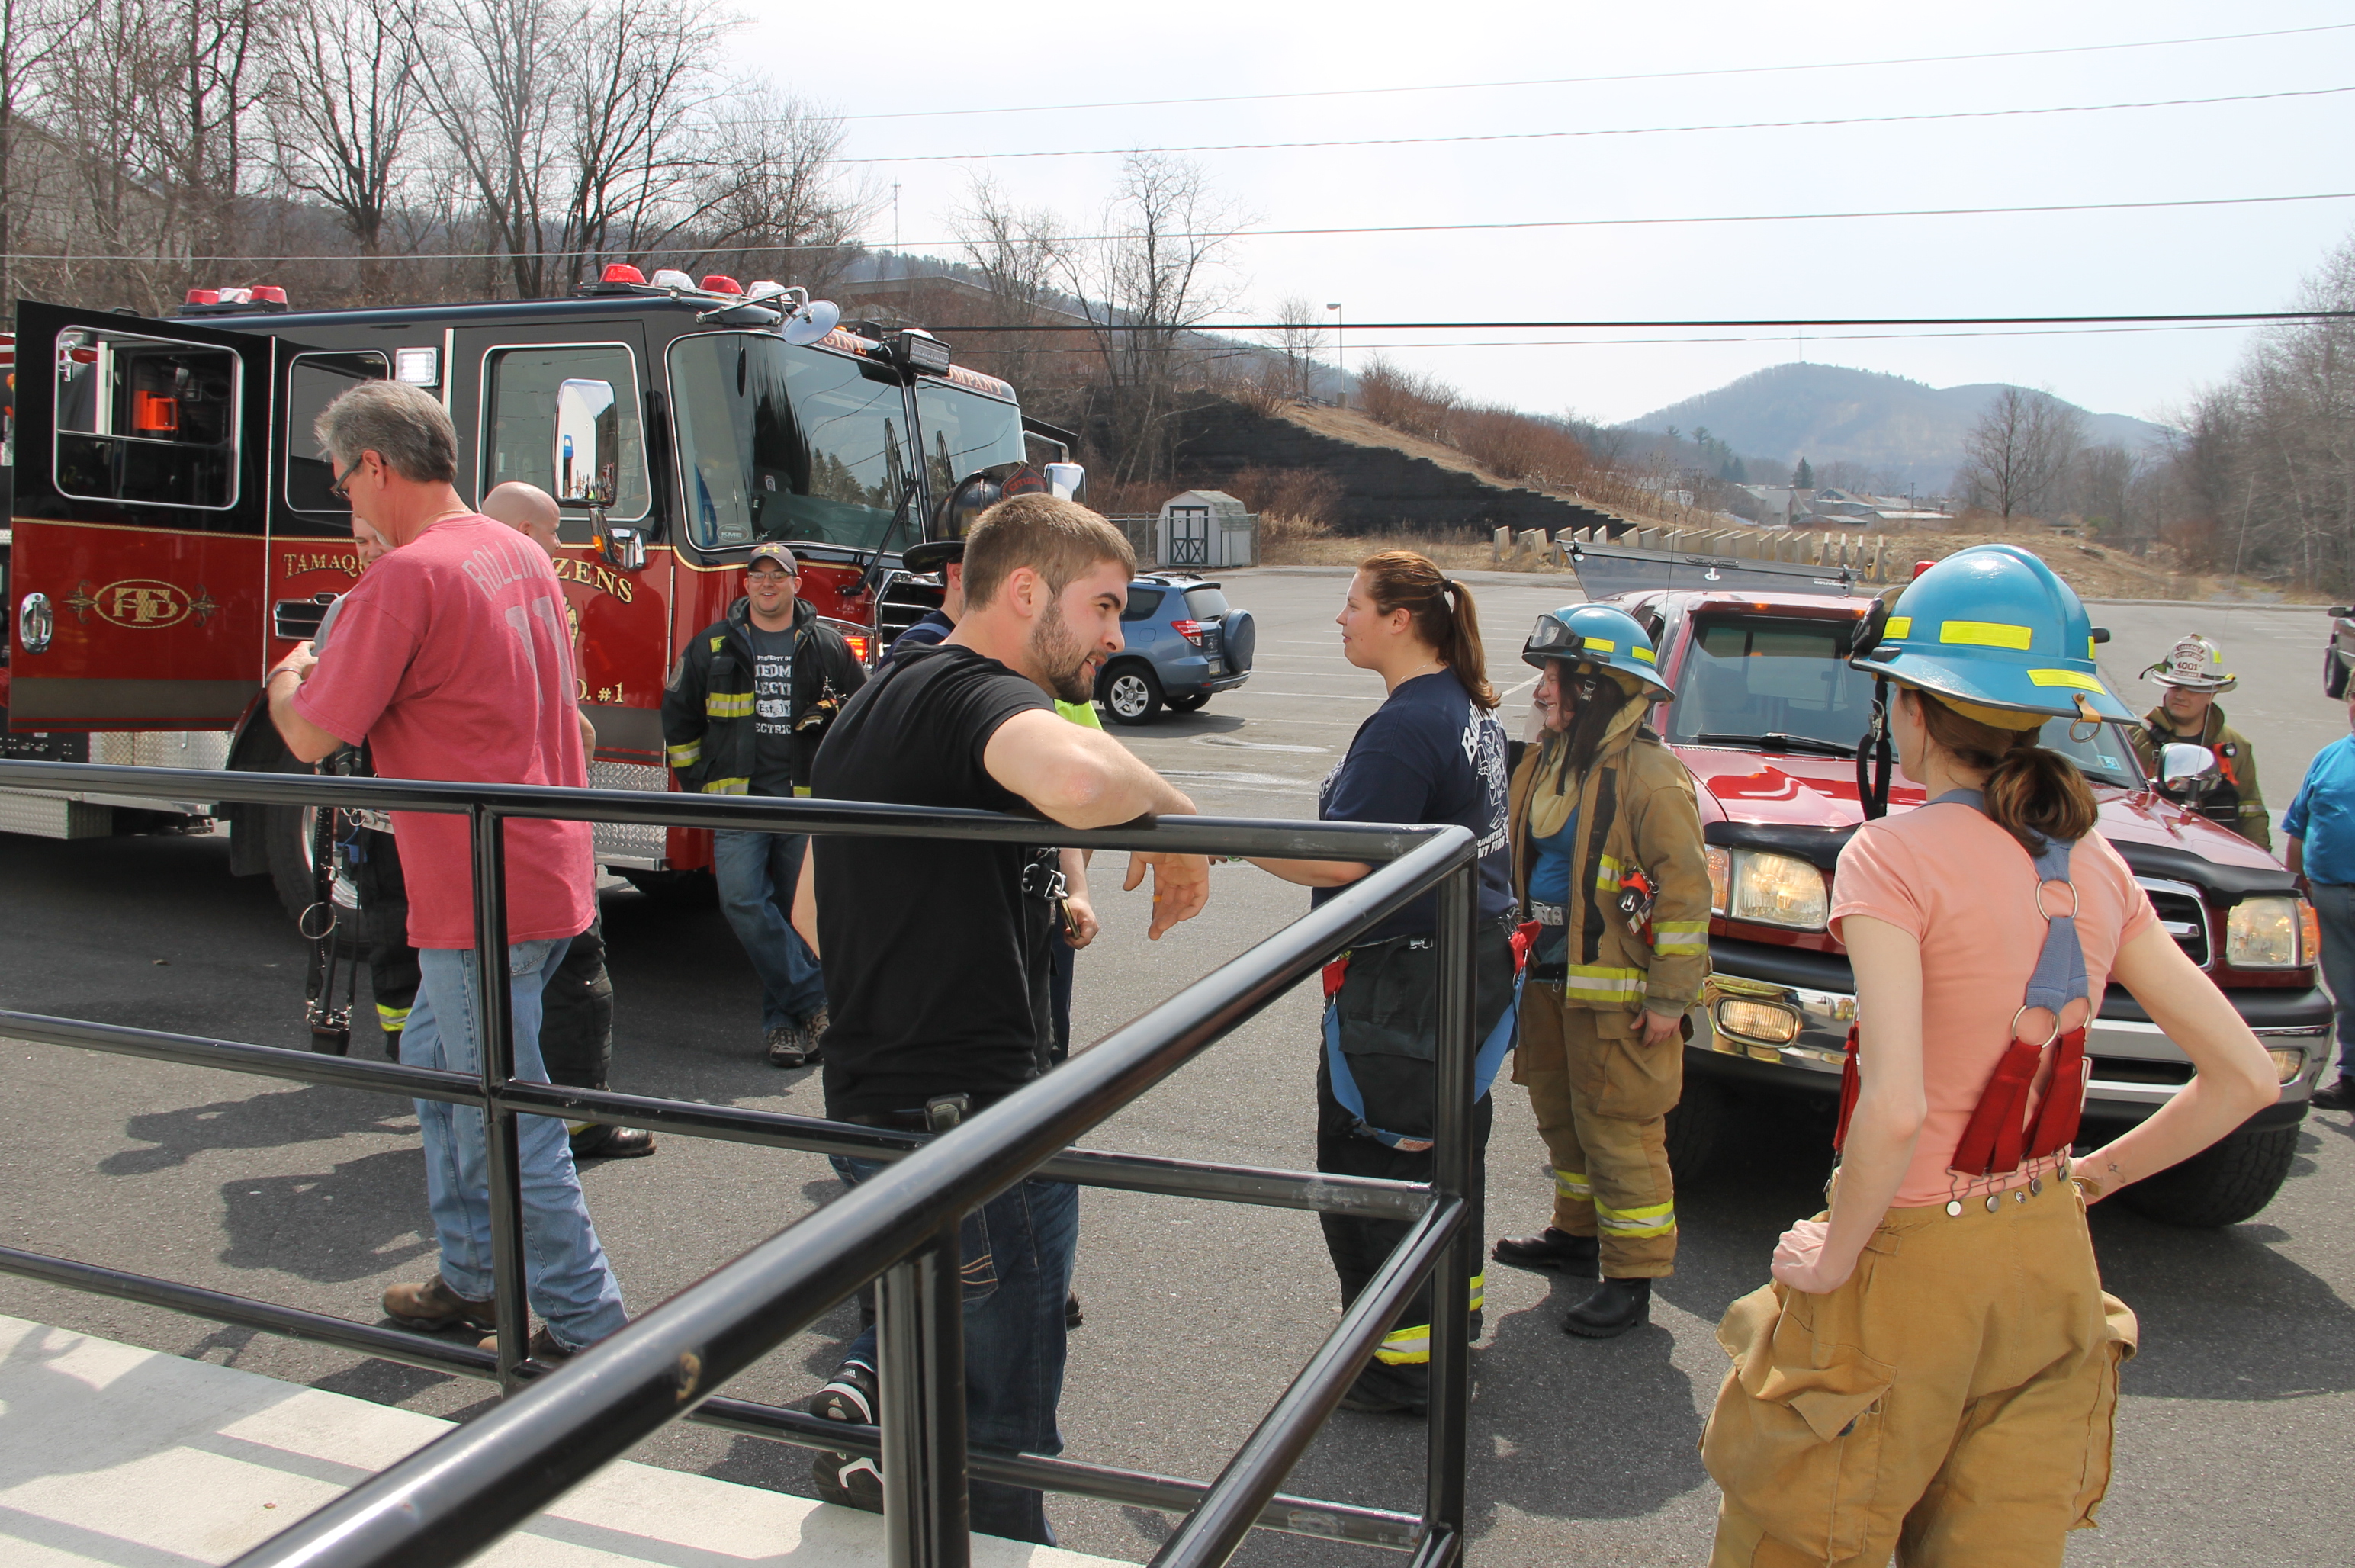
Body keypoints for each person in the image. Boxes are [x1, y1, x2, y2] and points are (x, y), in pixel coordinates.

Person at [1701, 545, 2279, 1567]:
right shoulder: (2098, 862)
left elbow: (1896, 1110)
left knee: (1804, 1529)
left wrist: (1831, 1258)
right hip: (2048, 1258)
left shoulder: (1890, 857)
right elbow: (2247, 1077)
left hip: (1910, 1258)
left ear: (1911, 708)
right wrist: (2089, 1180)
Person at [791, 493, 1209, 1544]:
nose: (1116, 634)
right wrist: (1180, 816)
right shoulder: (975, 691)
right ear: (1026, 592)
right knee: (1001, 1437)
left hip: (901, 1098)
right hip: (964, 1116)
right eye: (1104, 605)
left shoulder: (882, 698)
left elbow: (810, 915)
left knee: (959, 1398)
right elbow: (1074, 774)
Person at [265, 379, 628, 1362]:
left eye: (342, 479)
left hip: (480, 891)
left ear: (374, 465)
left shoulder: (407, 575)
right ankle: (474, 1275)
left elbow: (309, 734)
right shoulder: (518, 550)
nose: (345, 497)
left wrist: (287, 669)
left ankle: (590, 1331)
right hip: (543, 867)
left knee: (510, 1117)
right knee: (437, 1061)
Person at [1241, 551, 1516, 1415]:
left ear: (1400, 619)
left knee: (1372, 1164)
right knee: (1447, 1153)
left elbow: (1345, 858)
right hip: (1465, 969)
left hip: (1406, 989)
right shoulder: (1463, 707)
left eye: (1354, 603)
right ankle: (1448, 1328)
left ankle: (1400, 1369)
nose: (1341, 617)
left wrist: (1222, 839)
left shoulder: (1407, 725)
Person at [1491, 603, 1709, 1339]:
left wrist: (1670, 999)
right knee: (1561, 1118)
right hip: (1547, 981)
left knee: (1620, 1134)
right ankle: (1576, 1237)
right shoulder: (1548, 762)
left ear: (1594, 687)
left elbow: (1685, 899)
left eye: (1555, 677)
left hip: (1619, 1000)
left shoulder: (1653, 778)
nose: (1541, 690)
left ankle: (1633, 1277)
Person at [479, 480, 651, 1160]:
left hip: (502, 826)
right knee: (573, 970)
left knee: (484, 984)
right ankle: (574, 1124)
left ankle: (487, 1118)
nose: (560, 545)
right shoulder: (515, 595)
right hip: (538, 827)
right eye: (553, 532)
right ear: (524, 533)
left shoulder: (469, 590)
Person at [661, 540, 865, 1067]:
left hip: (803, 806)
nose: (767, 584)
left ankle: (783, 1030)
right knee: (743, 902)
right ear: (746, 583)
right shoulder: (712, 647)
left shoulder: (828, 646)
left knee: (798, 916)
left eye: (778, 575)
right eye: (759, 575)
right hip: (738, 806)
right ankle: (816, 1001)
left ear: (797, 584)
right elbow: (678, 719)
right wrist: (701, 785)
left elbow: (861, 719)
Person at [2128, 633, 2270, 850]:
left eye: (2193, 689)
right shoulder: (2134, 737)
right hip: (2150, 849)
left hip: (2214, 853)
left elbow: (2251, 812)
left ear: (2212, 693)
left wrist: (2258, 860)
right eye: (2175, 686)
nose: (2181, 696)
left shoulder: (2235, 746)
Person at [2286, 681, 2355, 1111]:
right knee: (2346, 994)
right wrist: (2294, 887)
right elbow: (2298, 825)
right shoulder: (2329, 758)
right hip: (2329, 896)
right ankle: (2351, 1078)